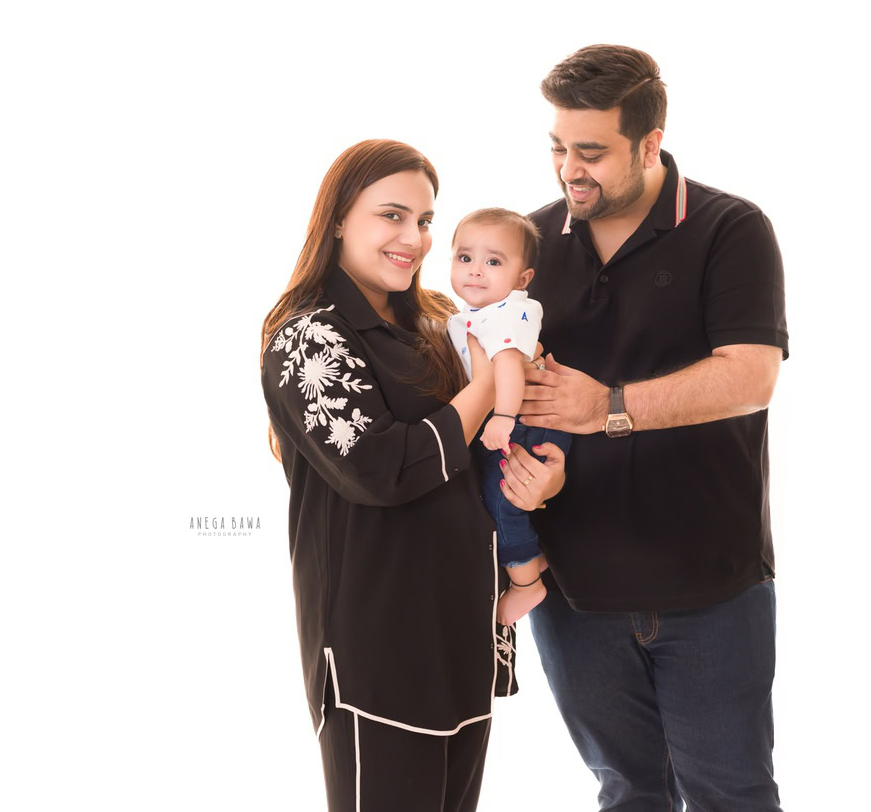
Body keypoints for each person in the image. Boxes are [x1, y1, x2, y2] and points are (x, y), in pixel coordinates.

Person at [258, 139, 566, 812]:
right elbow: (383, 469)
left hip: (463, 639)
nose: (414, 239)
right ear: (339, 216)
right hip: (379, 655)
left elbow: (503, 444)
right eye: (391, 216)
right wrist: (490, 380)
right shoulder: (309, 338)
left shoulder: (440, 322)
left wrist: (546, 477)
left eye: (425, 221)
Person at [520, 45, 790, 810]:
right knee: (626, 791)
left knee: (731, 792)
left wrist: (604, 405)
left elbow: (751, 375)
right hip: (575, 596)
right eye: (559, 148)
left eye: (593, 152)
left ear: (650, 141)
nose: (571, 169)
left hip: (710, 587)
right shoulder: (532, 244)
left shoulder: (730, 228)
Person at [445, 208, 573, 626]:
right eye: (465, 258)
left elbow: (508, 366)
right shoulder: (480, 313)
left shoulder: (506, 312)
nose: (476, 271)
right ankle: (528, 561)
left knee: (504, 500)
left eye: (493, 262)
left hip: (523, 420)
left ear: (522, 279)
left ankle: (525, 585)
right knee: (493, 495)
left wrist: (502, 415)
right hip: (516, 415)